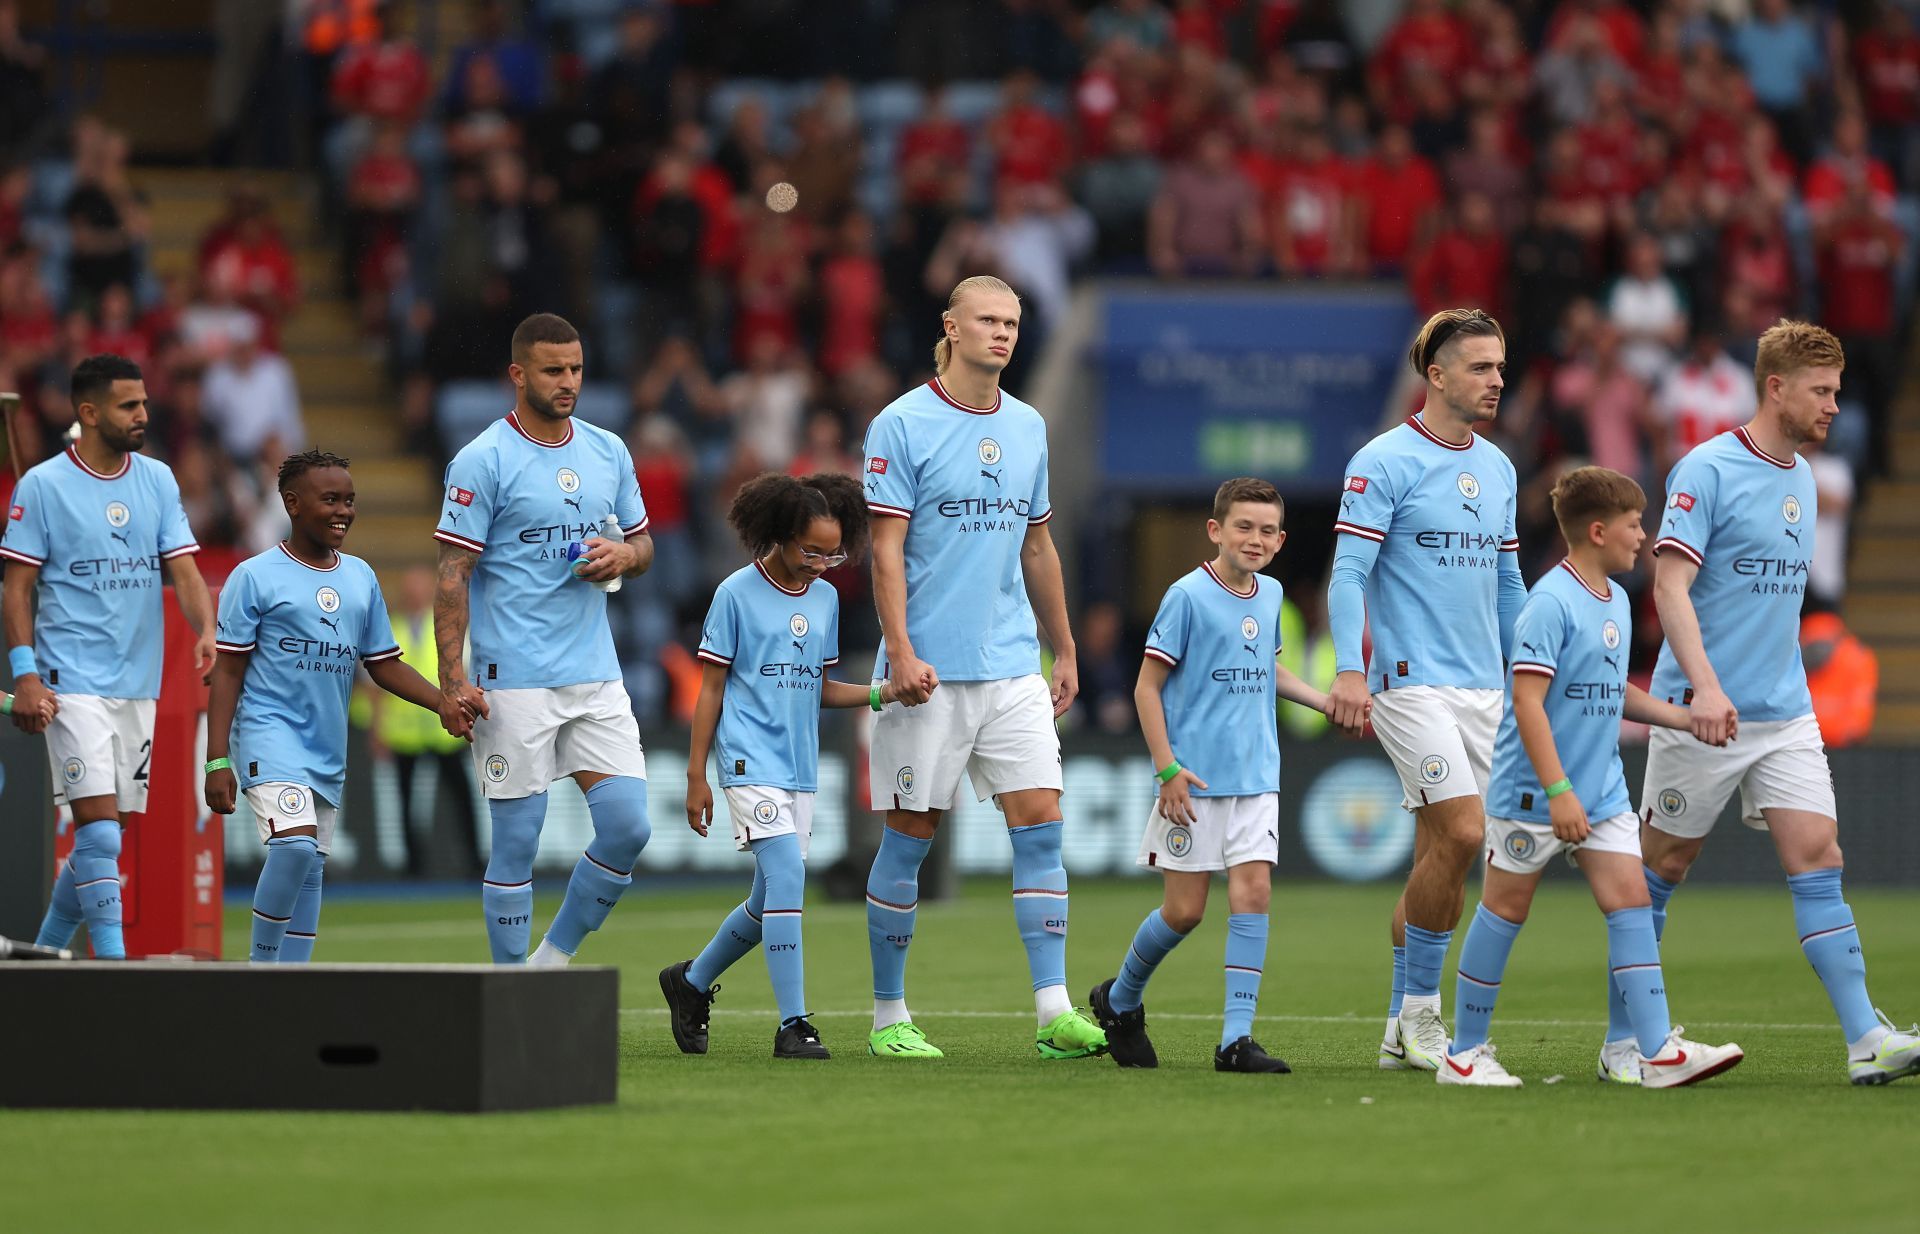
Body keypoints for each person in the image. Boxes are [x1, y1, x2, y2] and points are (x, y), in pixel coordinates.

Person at [1642, 320, 1920, 1085]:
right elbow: (1669, 585)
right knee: (1660, 868)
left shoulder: (1803, 474)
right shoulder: (1707, 469)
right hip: (1701, 709)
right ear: (1776, 387)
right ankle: (1632, 1037)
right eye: (1821, 392)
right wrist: (1704, 685)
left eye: (1836, 391)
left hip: (1785, 711)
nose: (1834, 407)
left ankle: (1867, 1038)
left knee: (1819, 858)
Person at [859, 274, 1105, 1061]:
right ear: (952, 327)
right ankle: (888, 1014)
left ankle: (1053, 1012)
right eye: (988, 321)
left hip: (1009, 667)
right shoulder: (901, 423)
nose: (1002, 333)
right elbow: (886, 548)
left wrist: (1061, 645)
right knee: (911, 835)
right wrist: (899, 649)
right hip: (927, 667)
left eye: (1012, 322)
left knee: (1041, 824)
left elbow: (1036, 545)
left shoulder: (1030, 425)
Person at [1440, 466, 1743, 1088]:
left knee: (1632, 903)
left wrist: (1683, 719)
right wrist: (1557, 792)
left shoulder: (1614, 599)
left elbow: (1613, 693)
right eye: (1635, 526)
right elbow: (1526, 703)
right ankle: (1464, 1055)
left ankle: (1655, 1051)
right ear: (1599, 531)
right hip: (1534, 794)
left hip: (1602, 793)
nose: (1644, 537)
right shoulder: (1548, 603)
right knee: (1504, 909)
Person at [1325, 308, 1525, 1071]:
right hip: (1410, 686)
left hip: (1485, 690)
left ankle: (1395, 1032)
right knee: (1468, 834)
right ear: (1436, 375)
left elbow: (1507, 580)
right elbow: (1349, 572)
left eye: (1500, 367)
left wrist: (1526, 670)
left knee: (1441, 857)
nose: (1496, 380)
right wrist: (1351, 668)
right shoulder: (1384, 460)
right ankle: (1422, 1020)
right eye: (1480, 367)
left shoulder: (1500, 468)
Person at [433, 313, 655, 966]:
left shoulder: (608, 450)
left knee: (629, 829)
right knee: (516, 845)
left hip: (593, 672)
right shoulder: (482, 460)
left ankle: (547, 965)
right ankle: (510, 989)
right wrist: (453, 678)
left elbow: (643, 544)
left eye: (577, 369)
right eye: (553, 370)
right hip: (515, 677)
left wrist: (623, 556)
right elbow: (453, 574)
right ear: (518, 374)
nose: (568, 382)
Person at [1089, 477, 1331, 1073]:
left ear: (1280, 540)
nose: (1256, 538)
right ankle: (1119, 1000)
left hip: (1257, 776)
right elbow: (1147, 688)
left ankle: (1235, 1040)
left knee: (1254, 894)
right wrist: (1167, 768)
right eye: (1243, 526)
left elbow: (1267, 671)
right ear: (1215, 530)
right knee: (1186, 911)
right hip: (1194, 780)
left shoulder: (1271, 595)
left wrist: (1327, 703)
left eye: (1267, 529)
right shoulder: (1186, 596)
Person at [661, 472, 897, 1061]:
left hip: (800, 767)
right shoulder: (735, 594)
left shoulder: (825, 599)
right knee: (789, 881)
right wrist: (698, 775)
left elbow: (817, 687)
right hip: (748, 760)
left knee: (771, 903)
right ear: (779, 537)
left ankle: (689, 984)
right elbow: (710, 690)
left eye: (833, 552)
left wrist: (881, 693)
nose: (822, 563)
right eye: (811, 550)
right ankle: (794, 1025)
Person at [204, 452, 472, 961]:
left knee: (311, 868)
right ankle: (257, 973)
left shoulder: (360, 577)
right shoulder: (254, 576)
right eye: (330, 500)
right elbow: (229, 671)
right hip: (268, 730)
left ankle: (294, 984)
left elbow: (384, 663)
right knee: (295, 846)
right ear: (292, 504)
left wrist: (442, 703)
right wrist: (217, 758)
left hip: (327, 743)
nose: (343, 511)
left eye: (349, 500)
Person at [4, 354, 216, 959]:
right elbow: (17, 589)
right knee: (97, 834)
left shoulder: (157, 479)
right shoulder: (42, 486)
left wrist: (206, 628)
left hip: (137, 681)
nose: (144, 414)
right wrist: (25, 673)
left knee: (107, 841)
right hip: (69, 679)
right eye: (130, 405)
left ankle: (42, 958)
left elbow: (184, 569)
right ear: (89, 412)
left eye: (145, 403)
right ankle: (113, 972)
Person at [366, 564, 482, 877]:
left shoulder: (449, 627)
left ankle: (473, 860)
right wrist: (377, 729)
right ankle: (413, 867)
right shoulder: (391, 627)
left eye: (420, 587)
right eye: (410, 587)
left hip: (446, 731)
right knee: (405, 804)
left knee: (462, 800)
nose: (414, 593)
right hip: (404, 734)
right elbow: (374, 687)